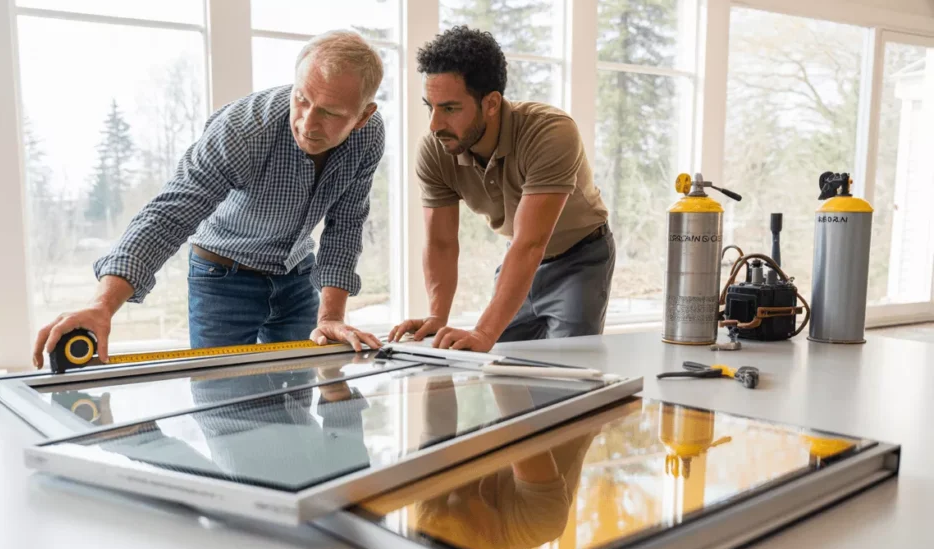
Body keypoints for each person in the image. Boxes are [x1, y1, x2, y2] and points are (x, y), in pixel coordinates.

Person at [33, 30, 386, 369]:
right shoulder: (243, 130)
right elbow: (169, 215)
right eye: (302, 99)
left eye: (330, 113)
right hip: (222, 277)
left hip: (297, 275)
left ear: (362, 116)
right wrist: (102, 306)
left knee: (293, 401)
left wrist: (331, 318)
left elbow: (346, 225)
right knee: (225, 413)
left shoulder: (369, 136)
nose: (308, 123)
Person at [389, 26, 615, 352]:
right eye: (430, 107)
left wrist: (482, 333)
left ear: (492, 103)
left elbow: (531, 242)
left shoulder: (551, 132)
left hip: (580, 258)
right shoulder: (435, 147)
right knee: (502, 371)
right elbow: (440, 242)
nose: (435, 125)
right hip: (518, 257)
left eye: (450, 109)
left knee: (569, 373)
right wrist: (437, 316)